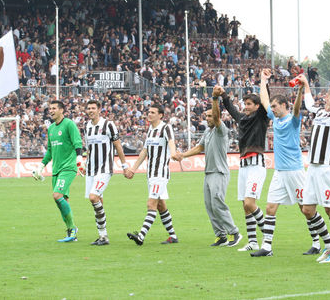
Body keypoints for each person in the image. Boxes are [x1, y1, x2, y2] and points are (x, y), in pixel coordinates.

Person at [250, 69, 318, 257]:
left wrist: (299, 91)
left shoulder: (293, 120)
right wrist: (263, 81)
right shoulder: (275, 118)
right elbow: (264, 100)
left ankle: (317, 243)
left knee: (306, 209)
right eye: (272, 106)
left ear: (283, 106)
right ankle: (267, 247)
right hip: (280, 172)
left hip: (295, 171)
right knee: (270, 208)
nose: (271, 109)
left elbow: (296, 109)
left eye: (275, 106)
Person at [175, 91, 242, 248]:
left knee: (218, 203)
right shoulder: (207, 131)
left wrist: (214, 99)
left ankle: (235, 232)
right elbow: (199, 147)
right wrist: (183, 155)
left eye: (210, 116)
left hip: (219, 172)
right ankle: (221, 236)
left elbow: (217, 117)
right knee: (209, 205)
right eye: (206, 117)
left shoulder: (221, 129)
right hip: (209, 172)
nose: (207, 119)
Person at [301, 71, 330, 263]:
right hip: (312, 168)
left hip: (327, 168)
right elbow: (308, 103)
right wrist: (305, 83)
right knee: (307, 210)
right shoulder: (320, 112)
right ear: (327, 97)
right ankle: (329, 246)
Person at [219, 84, 269, 252]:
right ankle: (253, 242)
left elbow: (265, 100)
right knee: (245, 206)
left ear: (257, 106)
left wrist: (264, 81)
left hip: (256, 165)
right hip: (244, 166)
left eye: (249, 104)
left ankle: (268, 236)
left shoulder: (262, 116)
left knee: (250, 203)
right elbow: (231, 108)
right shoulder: (242, 119)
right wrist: (223, 95)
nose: (246, 107)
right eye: (245, 104)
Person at [126, 104, 179, 246]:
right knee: (161, 205)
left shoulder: (165, 127)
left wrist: (173, 153)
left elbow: (171, 142)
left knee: (151, 203)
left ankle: (141, 236)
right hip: (151, 174)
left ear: (160, 115)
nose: (149, 114)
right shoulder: (150, 130)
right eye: (148, 112)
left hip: (160, 174)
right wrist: (133, 169)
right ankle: (173, 236)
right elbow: (144, 151)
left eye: (152, 112)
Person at [32, 100, 84, 242]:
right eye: (50, 108)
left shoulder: (69, 124)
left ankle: (73, 229)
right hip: (56, 170)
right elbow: (50, 150)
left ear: (62, 110)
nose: (51, 110)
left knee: (57, 195)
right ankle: (71, 232)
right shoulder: (51, 129)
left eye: (54, 108)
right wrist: (41, 166)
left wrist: (79, 159)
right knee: (62, 201)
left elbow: (78, 142)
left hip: (68, 167)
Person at [84, 100, 130, 246]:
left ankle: (103, 236)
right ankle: (102, 235)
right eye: (88, 108)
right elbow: (89, 148)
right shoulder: (87, 126)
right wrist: (85, 163)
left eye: (93, 108)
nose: (90, 110)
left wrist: (124, 166)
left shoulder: (108, 125)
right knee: (98, 202)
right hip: (91, 169)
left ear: (99, 110)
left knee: (93, 197)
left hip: (104, 169)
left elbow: (117, 145)